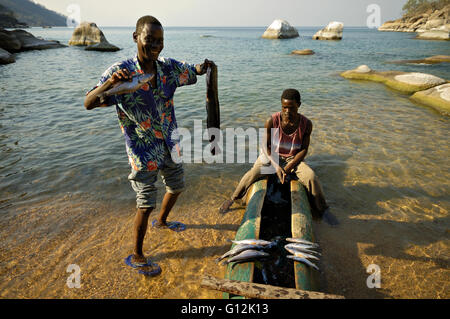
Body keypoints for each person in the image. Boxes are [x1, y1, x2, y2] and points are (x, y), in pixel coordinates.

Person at [84, 15, 213, 276]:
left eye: (160, 41)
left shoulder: (167, 68)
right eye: (149, 40)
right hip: (143, 151)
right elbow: (88, 103)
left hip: (170, 142)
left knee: (177, 186)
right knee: (145, 203)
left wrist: (204, 66)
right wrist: (111, 84)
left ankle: (163, 221)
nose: (155, 45)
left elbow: (193, 72)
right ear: (135, 37)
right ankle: (138, 254)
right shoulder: (121, 72)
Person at [219, 89, 339, 226]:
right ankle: (233, 198)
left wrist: (289, 167)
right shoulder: (272, 121)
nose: (287, 111)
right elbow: (265, 146)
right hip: (271, 155)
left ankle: (323, 210)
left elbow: (304, 149)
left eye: (291, 107)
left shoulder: (306, 124)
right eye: (284, 107)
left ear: (299, 105)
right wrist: (276, 166)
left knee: (311, 177)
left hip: (292, 158)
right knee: (254, 172)